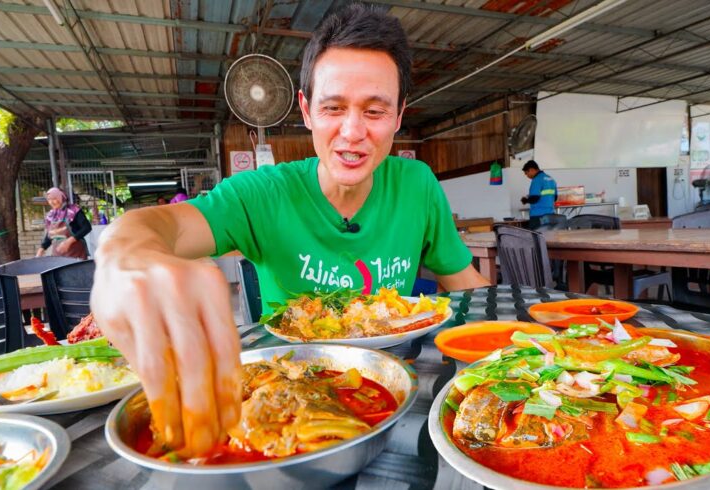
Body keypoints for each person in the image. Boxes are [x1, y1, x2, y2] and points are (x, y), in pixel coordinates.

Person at [91, 3, 488, 456]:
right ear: (306, 110)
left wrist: (522, 341)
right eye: (333, 107)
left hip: (402, 394)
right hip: (284, 405)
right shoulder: (261, 194)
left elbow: (467, 289)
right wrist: (123, 251)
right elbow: (162, 227)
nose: (352, 131)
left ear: (399, 115)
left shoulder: (418, 186)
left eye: (375, 111)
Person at [36, 187, 91, 259]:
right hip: (58, 256)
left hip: (76, 254)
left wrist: (69, 241)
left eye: (54, 199)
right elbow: (49, 235)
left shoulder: (74, 210)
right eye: (49, 200)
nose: (51, 202)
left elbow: (86, 228)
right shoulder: (51, 215)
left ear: (61, 197)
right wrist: (42, 249)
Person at [520, 160, 558, 229]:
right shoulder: (551, 179)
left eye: (526, 173)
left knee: (537, 238)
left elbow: (534, 199)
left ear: (531, 170)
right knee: (549, 237)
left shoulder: (536, 180)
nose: (527, 176)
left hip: (538, 216)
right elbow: (555, 198)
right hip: (550, 215)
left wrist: (525, 200)